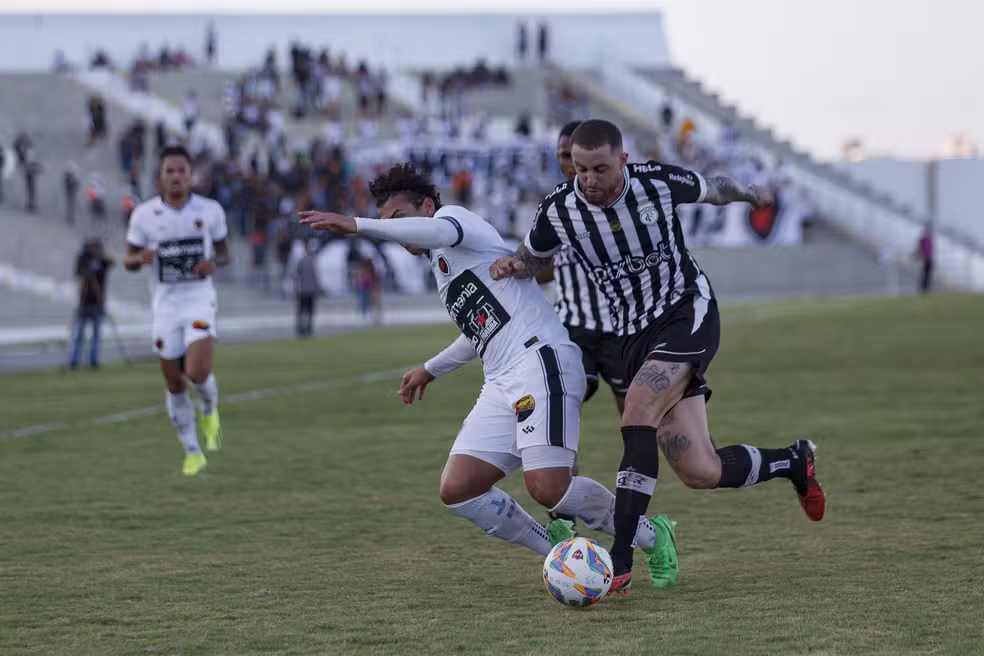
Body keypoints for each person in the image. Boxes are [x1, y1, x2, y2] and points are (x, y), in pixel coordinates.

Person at [490, 119, 826, 594]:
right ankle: (793, 461)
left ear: (623, 161)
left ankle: (620, 559)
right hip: (633, 335)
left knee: (638, 407)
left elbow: (716, 188)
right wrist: (515, 263)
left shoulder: (656, 183)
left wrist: (751, 195)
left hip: (685, 310)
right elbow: (533, 256)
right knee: (700, 469)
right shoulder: (559, 208)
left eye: (599, 169)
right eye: (580, 169)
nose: (588, 179)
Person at [299, 164, 671, 568]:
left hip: (540, 359)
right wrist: (430, 369)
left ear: (426, 207)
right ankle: (557, 555)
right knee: (459, 488)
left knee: (549, 488)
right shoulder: (442, 266)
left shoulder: (453, 220)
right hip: (500, 379)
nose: (396, 230)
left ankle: (650, 534)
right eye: (387, 221)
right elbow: (480, 332)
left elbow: (434, 232)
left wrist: (358, 225)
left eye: (399, 218)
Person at [124, 145, 230, 477]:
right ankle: (192, 451)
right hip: (165, 306)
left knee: (197, 372)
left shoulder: (210, 210)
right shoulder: (144, 215)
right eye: (169, 171)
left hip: (199, 299)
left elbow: (225, 253)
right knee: (174, 383)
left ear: (190, 175)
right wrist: (140, 258)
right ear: (160, 177)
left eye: (181, 171)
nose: (175, 177)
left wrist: (213, 263)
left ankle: (209, 410)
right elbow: (127, 259)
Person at [69, 239, 114, 370]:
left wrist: (100, 258)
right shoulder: (84, 262)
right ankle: (73, 360)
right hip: (84, 303)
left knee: (96, 334)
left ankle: (94, 360)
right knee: (78, 334)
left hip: (97, 304)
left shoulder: (101, 262)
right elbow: (80, 275)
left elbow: (111, 263)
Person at [294, 239, 320, 337]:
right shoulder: (310, 261)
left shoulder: (308, 261)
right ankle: (304, 328)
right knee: (306, 311)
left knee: (306, 311)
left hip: (306, 291)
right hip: (306, 291)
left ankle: (305, 328)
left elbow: (297, 276)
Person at [915, 225, 934, 293]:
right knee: (924, 274)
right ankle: (923, 288)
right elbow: (920, 249)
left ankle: (926, 288)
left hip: (929, 258)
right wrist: (920, 256)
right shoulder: (923, 240)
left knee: (927, 274)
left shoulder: (929, 240)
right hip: (924, 259)